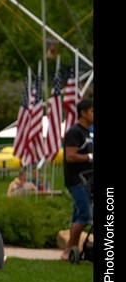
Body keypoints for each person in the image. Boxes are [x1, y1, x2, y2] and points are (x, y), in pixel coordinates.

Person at [60, 98, 94, 261]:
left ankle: (73, 252)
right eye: (93, 111)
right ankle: (68, 250)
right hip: (76, 181)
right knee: (86, 215)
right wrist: (90, 157)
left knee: (78, 215)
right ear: (83, 113)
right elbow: (70, 156)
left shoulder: (87, 132)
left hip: (87, 181)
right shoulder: (75, 132)